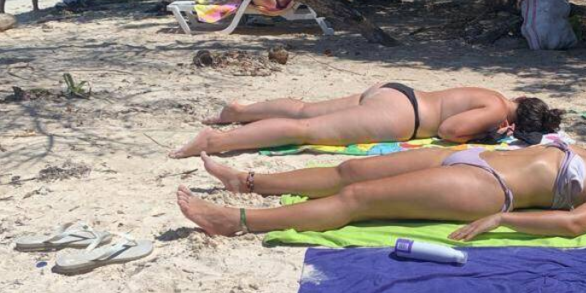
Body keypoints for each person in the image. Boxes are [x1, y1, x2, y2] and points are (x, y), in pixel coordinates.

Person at [176, 140, 586, 238]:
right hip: (472, 157)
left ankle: (235, 221)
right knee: (351, 172)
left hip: (486, 186)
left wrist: (503, 219)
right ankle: (246, 181)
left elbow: (574, 224)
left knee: (357, 202)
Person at [170, 84, 565, 158]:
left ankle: (239, 112)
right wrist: (488, 135)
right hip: (404, 117)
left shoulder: (493, 94)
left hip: (396, 92)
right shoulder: (496, 112)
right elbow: (449, 131)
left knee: (305, 110)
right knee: (307, 131)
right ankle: (216, 142)